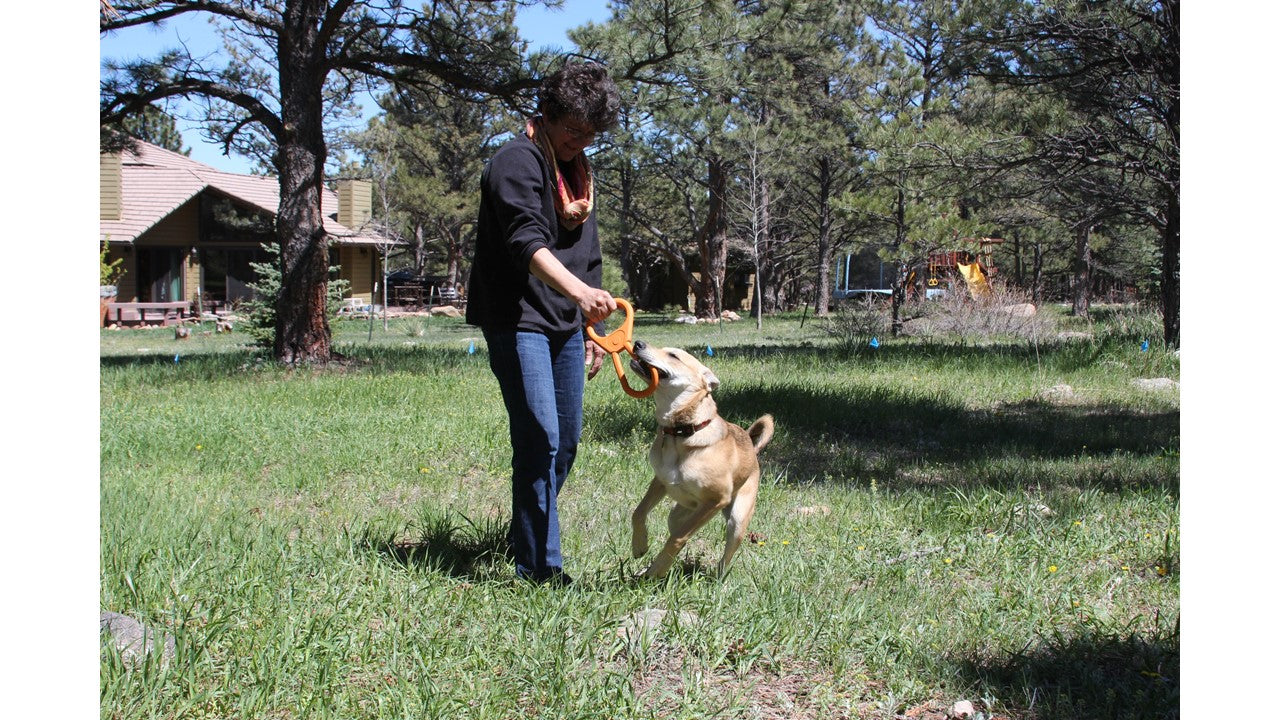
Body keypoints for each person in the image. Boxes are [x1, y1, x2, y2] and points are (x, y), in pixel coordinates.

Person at [465, 61, 621, 585]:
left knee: (567, 442)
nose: (581, 140)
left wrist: (589, 326)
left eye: (590, 133)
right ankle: (540, 571)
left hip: (564, 324)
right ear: (549, 113)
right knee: (539, 438)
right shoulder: (517, 160)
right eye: (573, 129)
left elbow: (587, 258)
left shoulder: (577, 176)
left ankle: (526, 532)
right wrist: (580, 294)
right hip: (517, 318)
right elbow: (524, 241)